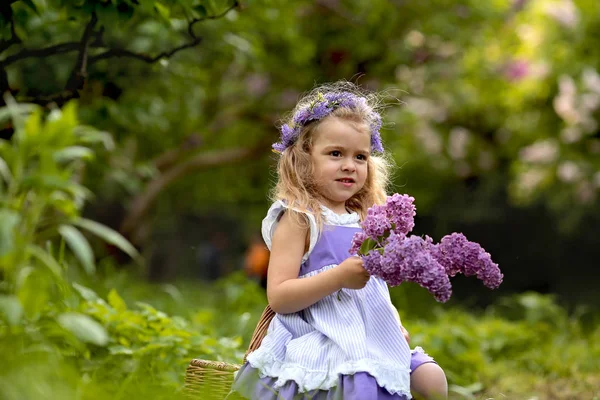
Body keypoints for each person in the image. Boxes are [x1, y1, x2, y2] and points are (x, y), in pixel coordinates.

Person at [229, 82, 448, 400]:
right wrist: (338, 277)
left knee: (432, 379)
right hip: (322, 337)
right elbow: (278, 296)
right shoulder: (300, 217)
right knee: (356, 380)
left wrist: (393, 323)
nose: (349, 165)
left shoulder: (367, 221)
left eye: (360, 156)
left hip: (373, 337)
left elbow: (375, 293)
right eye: (335, 154)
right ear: (305, 158)